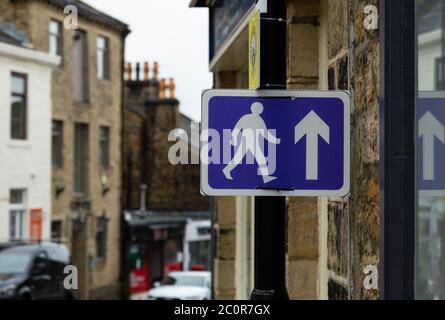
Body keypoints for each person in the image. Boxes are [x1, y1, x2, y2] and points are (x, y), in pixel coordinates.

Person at [223, 102, 280, 184]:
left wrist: (275, 140)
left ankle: (265, 177)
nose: (260, 110)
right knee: (241, 158)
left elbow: (264, 133)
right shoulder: (249, 118)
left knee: (258, 159)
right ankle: (226, 170)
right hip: (247, 140)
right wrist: (233, 139)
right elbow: (237, 128)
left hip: (252, 141)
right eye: (259, 108)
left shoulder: (258, 119)